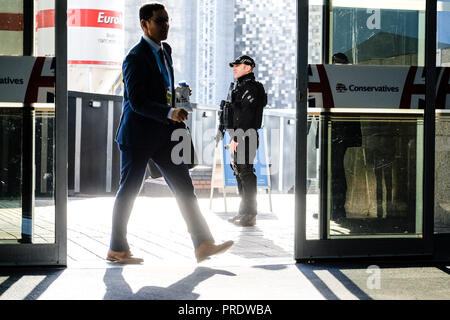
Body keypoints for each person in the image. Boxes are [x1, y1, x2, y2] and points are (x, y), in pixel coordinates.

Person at [107, 3, 233, 264]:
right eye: (159, 20)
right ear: (144, 24)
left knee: (185, 187)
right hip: (138, 136)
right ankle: (117, 249)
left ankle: (203, 244)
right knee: (129, 190)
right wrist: (168, 112)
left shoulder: (166, 51)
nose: (166, 25)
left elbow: (159, 89)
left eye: (167, 20)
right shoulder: (134, 58)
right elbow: (137, 100)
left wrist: (177, 98)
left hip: (164, 136)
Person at [225, 55, 267, 227]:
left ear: (249, 67)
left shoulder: (251, 88)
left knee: (246, 173)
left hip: (246, 135)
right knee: (239, 172)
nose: (234, 68)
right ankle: (244, 212)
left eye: (238, 65)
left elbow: (246, 116)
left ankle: (250, 214)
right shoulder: (239, 87)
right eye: (233, 65)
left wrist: (236, 137)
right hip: (239, 135)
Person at [330, 52, 362, 221]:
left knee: (336, 171)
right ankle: (333, 208)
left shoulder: (345, 80)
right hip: (336, 131)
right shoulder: (340, 79)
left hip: (339, 132)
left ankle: (337, 209)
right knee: (333, 171)